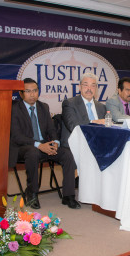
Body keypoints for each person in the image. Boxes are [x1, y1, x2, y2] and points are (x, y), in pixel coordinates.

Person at [9, 78, 80, 210]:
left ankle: (68, 195)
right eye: (28, 91)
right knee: (33, 152)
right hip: (23, 148)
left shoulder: (43, 107)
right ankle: (32, 192)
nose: (32, 94)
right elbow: (16, 136)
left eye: (35, 90)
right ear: (21, 93)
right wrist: (39, 145)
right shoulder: (14, 108)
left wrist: (55, 143)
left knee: (67, 153)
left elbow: (51, 129)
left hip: (44, 146)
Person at [61, 73, 106, 148]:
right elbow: (73, 126)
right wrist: (94, 122)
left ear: (96, 88)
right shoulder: (69, 103)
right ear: (79, 87)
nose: (89, 88)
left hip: (97, 144)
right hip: (75, 145)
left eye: (93, 86)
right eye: (86, 85)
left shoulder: (102, 107)